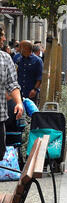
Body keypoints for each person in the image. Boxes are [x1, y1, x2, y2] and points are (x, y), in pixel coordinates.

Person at [0, 26, 24, 160]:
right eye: (1, 35)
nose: (4, 39)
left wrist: (19, 103)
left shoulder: (5, 58)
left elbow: (12, 84)